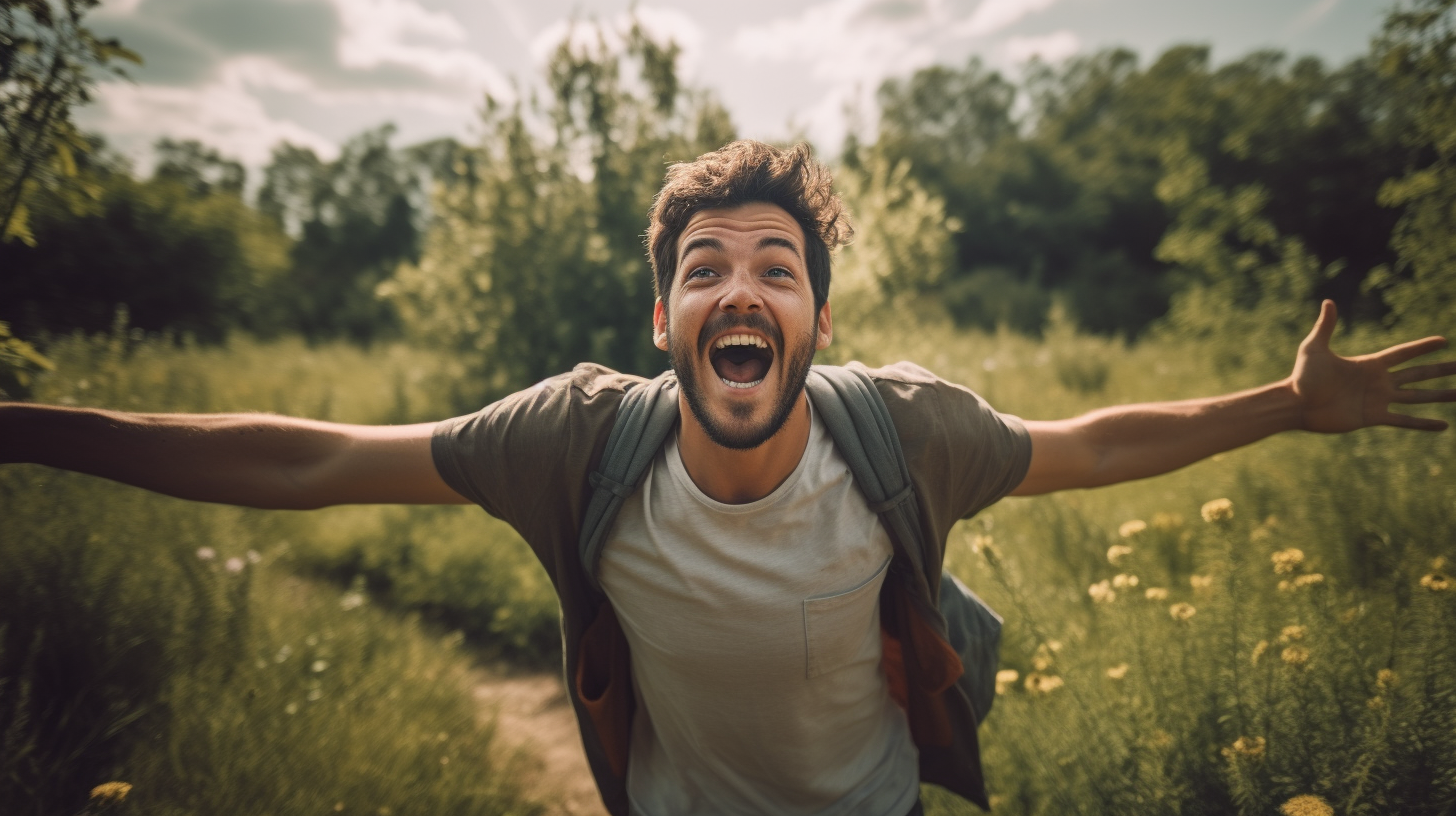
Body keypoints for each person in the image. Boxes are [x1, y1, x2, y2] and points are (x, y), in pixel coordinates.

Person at [2, 140, 1453, 816]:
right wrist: (31, 425)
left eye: (778, 269)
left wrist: (1281, 405)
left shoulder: (904, 430)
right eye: (705, 270)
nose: (740, 289)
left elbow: (1093, 445)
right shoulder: (575, 439)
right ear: (662, 322)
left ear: (817, 319)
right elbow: (311, 454)